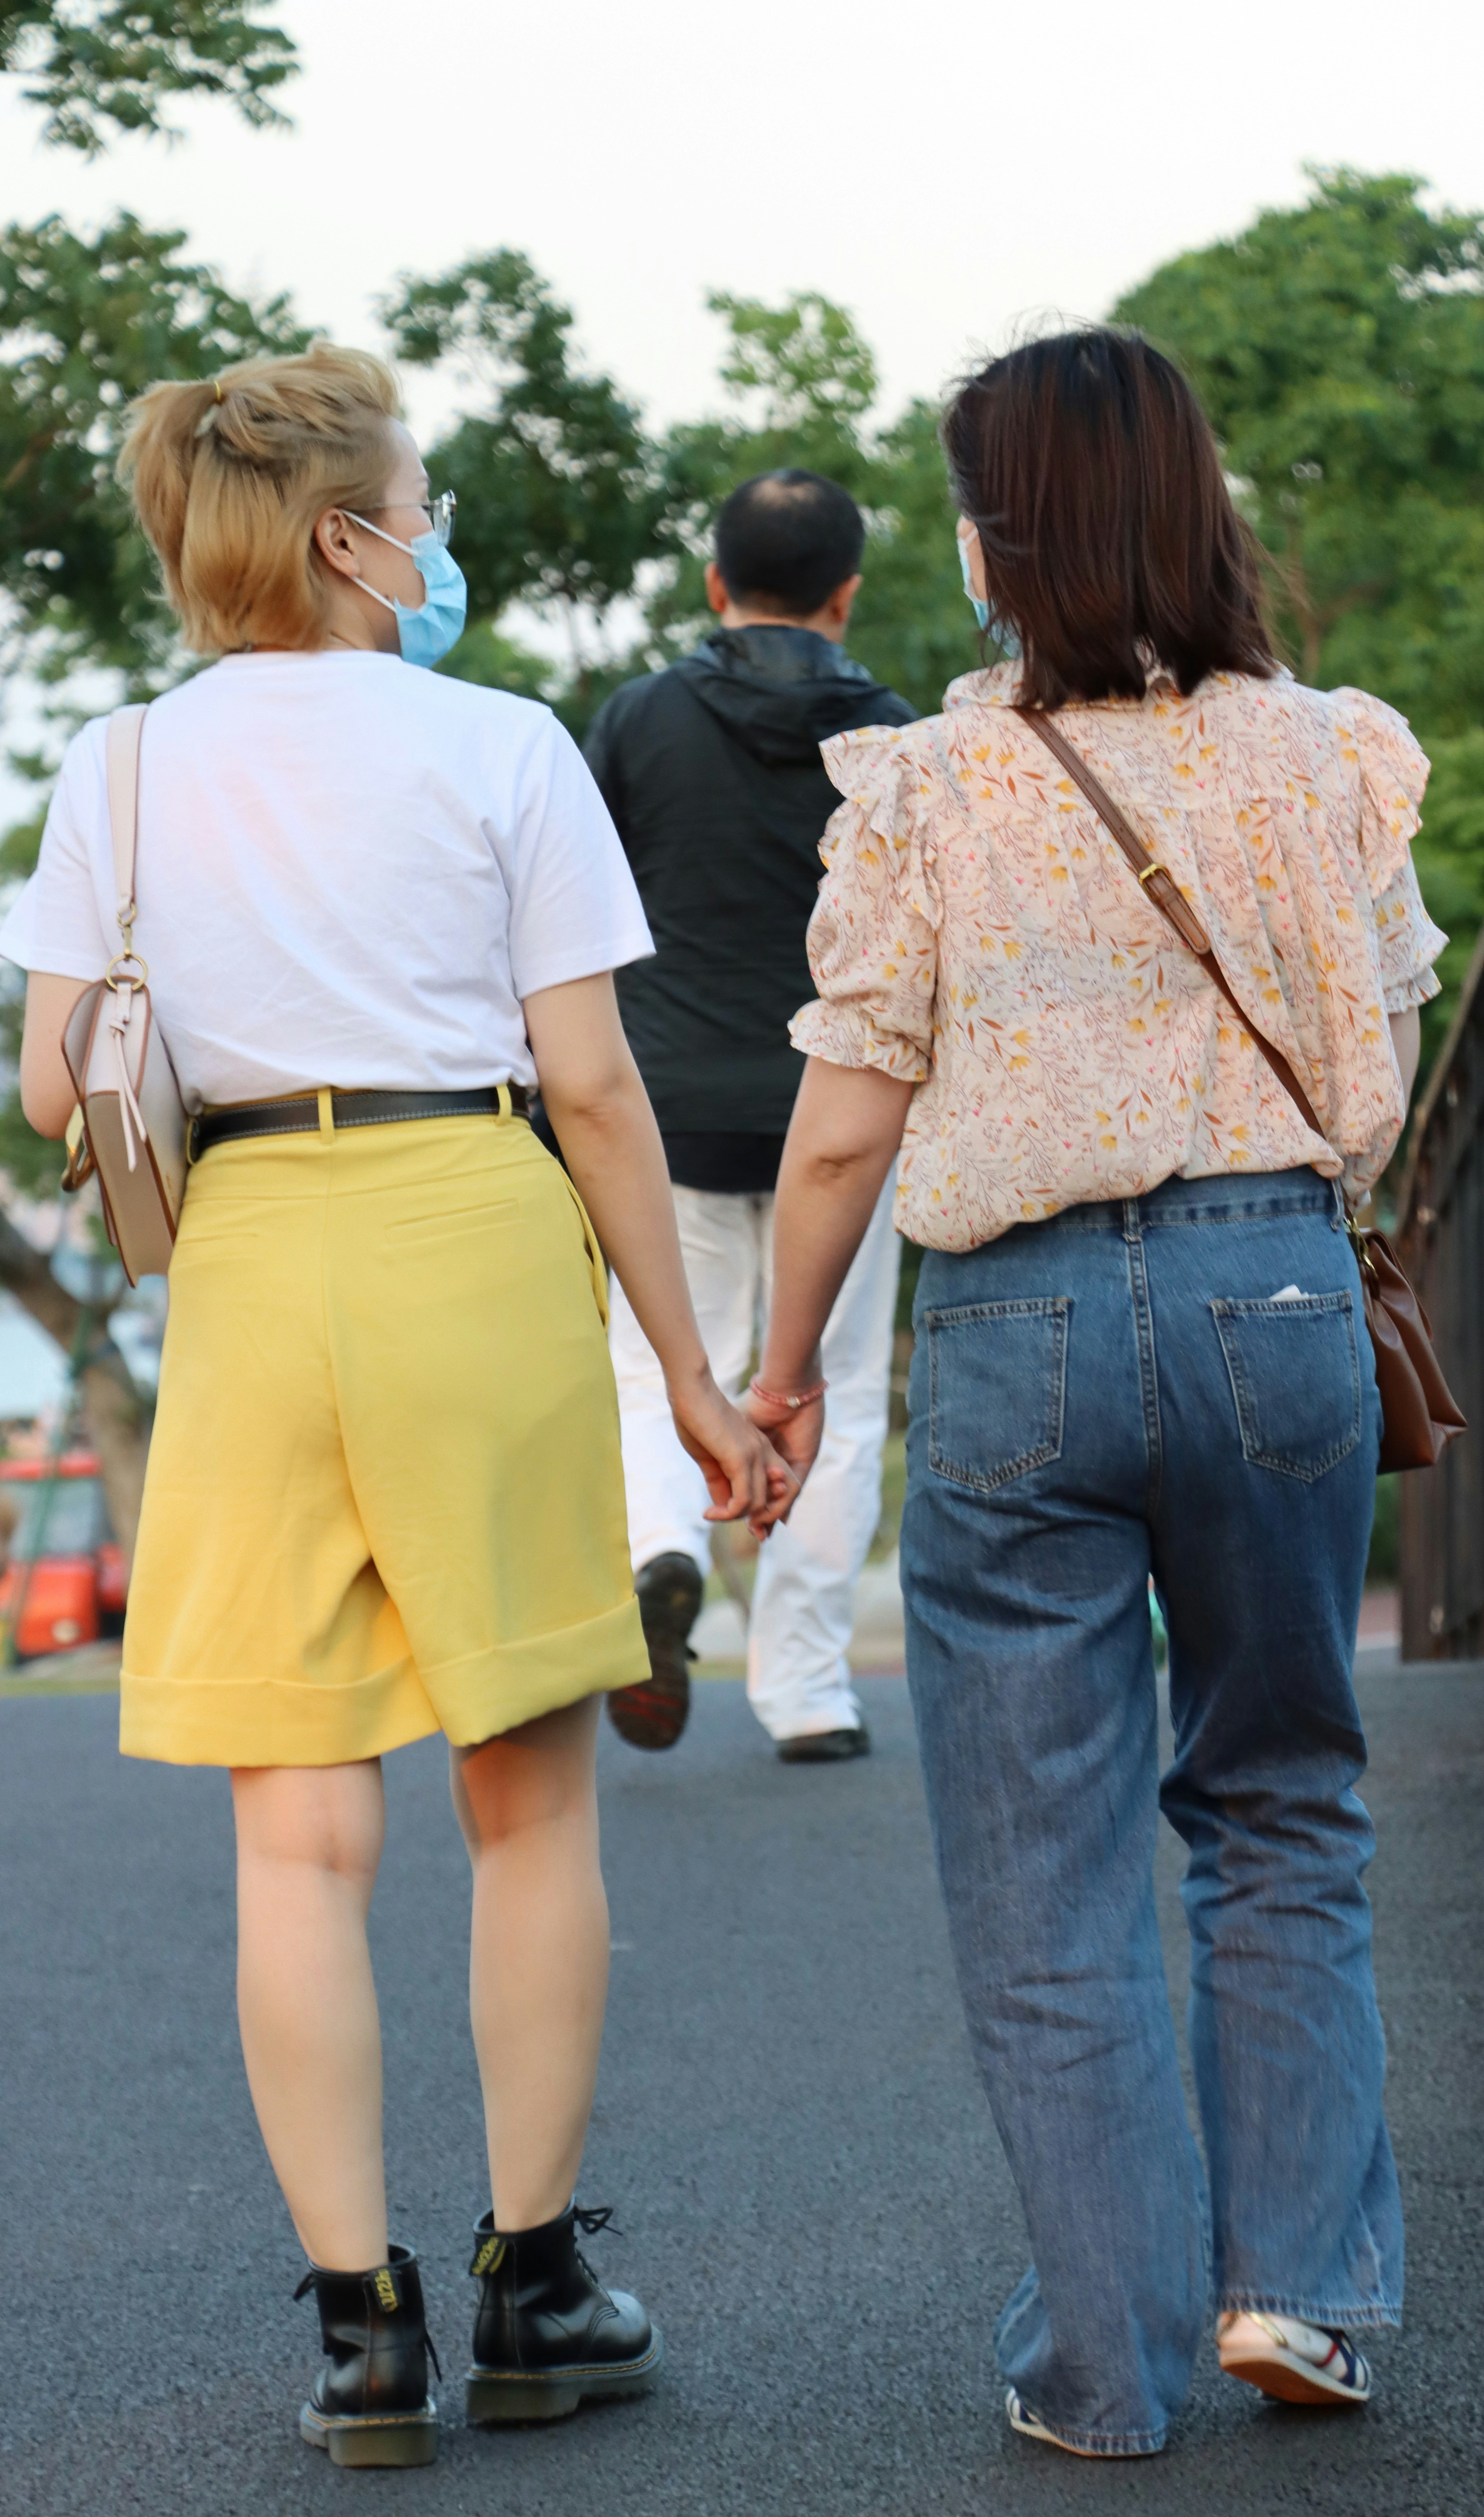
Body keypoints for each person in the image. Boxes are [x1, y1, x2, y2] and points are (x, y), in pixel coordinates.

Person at [0, 346, 793, 2470]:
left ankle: (360, 2330)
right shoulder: (501, 745)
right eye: (420, 507)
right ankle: (537, 2282)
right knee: (521, 1791)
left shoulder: (127, 769)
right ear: (351, 534)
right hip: (468, 1217)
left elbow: (50, 1080)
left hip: (253, 1256)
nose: (435, 541)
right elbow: (599, 1084)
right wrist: (698, 1390)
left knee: (297, 1823)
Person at [750, 329, 1442, 2457]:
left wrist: (778, 1375)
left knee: (1044, 1867)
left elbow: (851, 1124)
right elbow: (1382, 1050)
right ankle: (1301, 2298)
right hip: (1273, 1301)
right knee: (1282, 1797)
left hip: (1018, 1326)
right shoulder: (1325, 759)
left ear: (1000, 538)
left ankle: (1105, 2364)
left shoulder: (935, 788)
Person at [581, 469, 916, 1762]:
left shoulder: (637, 721)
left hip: (665, 1113)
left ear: (716, 587)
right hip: (847, 1113)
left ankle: (663, 1553)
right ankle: (809, 1688)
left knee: (658, 1366)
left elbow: (580, 918)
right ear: (846, 596)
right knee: (831, 1384)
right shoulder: (893, 740)